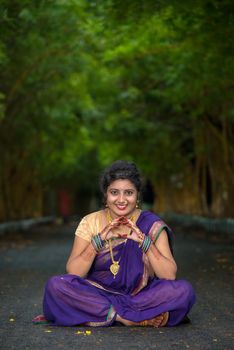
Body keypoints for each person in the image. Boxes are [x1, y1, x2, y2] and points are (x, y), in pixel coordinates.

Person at [35, 160, 196, 327]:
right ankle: (125, 317)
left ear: (137, 195)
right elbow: (74, 272)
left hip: (140, 296)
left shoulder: (151, 224)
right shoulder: (90, 222)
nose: (121, 200)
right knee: (56, 286)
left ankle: (108, 313)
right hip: (97, 294)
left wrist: (144, 241)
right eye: (114, 192)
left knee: (183, 291)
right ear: (106, 195)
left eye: (128, 193)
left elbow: (168, 275)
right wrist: (98, 240)